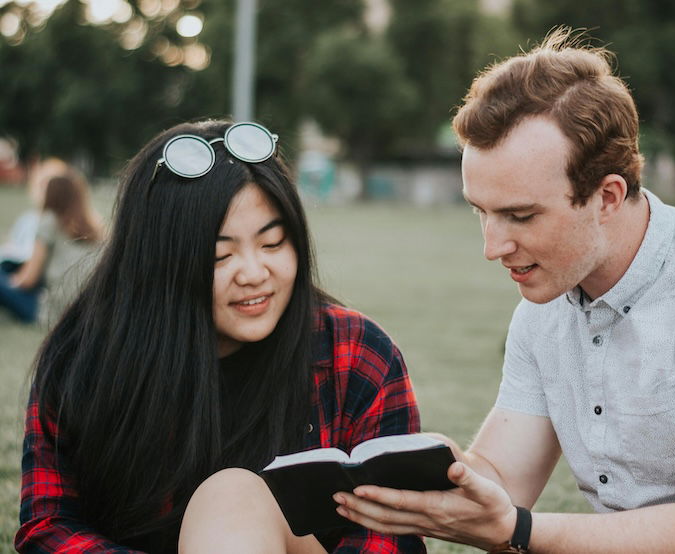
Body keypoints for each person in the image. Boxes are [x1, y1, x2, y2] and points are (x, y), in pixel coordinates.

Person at [332, 29, 675, 553]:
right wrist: (440, 474)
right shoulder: (547, 299)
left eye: (521, 215)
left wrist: (519, 530)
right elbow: (502, 481)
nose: (493, 246)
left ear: (607, 197)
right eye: (480, 210)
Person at [15, 119, 425, 553]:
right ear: (159, 263)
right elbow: (48, 525)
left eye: (273, 244)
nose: (253, 274)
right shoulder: (88, 359)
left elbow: (391, 536)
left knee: (233, 498)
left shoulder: (355, 352)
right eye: (220, 255)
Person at [0, 161, 103, 324]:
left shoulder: (49, 222)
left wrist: (8, 282)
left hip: (55, 313)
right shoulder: (95, 227)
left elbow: (28, 280)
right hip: (89, 310)